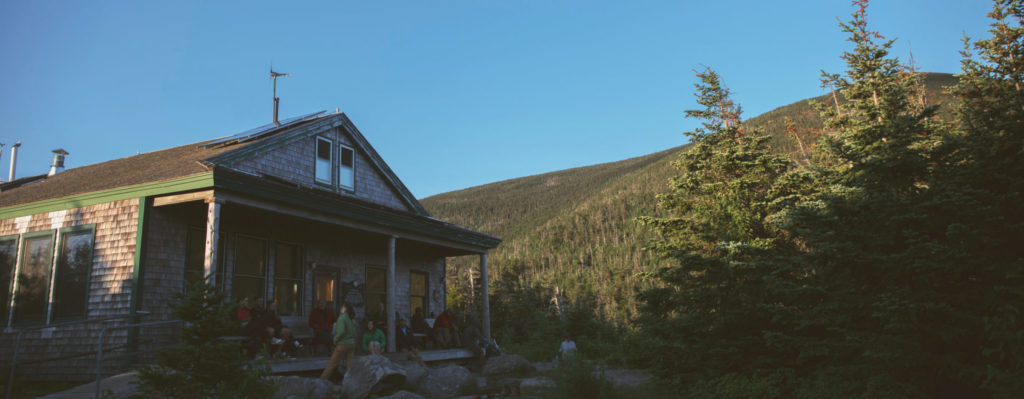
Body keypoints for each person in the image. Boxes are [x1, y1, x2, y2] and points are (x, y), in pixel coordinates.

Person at [320, 301, 357, 380]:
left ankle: (321, 380)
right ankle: (350, 382)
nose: (341, 308)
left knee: (332, 363)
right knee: (349, 365)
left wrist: (335, 340)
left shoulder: (342, 318)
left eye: (343, 307)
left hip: (343, 344)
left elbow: (341, 331)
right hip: (352, 344)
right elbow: (354, 331)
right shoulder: (352, 318)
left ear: (345, 308)